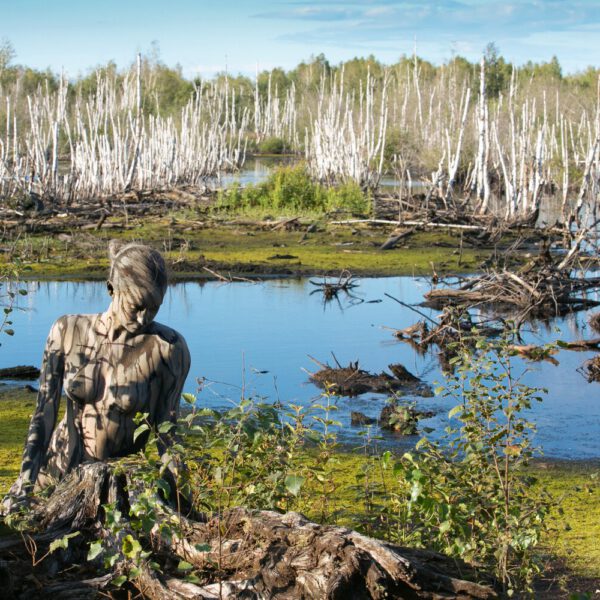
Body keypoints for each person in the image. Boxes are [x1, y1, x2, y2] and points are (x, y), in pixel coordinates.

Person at [2, 241, 190, 511]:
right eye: (136, 306)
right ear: (111, 289)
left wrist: (182, 501)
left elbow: (168, 435)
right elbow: (44, 412)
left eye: (154, 307)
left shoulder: (167, 348)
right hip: (52, 475)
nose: (143, 318)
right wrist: (24, 482)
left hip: (111, 489)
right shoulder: (67, 330)